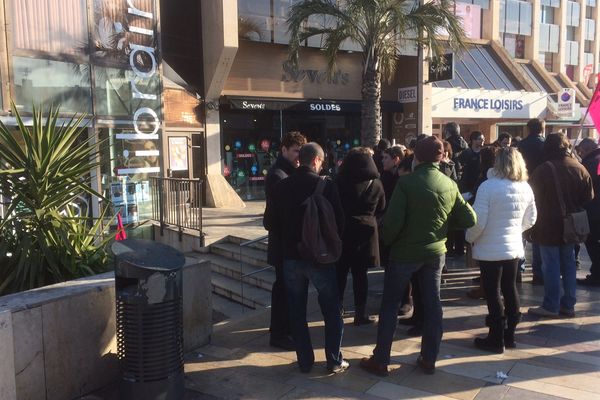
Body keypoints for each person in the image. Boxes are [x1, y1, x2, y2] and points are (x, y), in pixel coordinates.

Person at [360, 136, 476, 376]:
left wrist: (388, 242)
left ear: (418, 158)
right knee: (433, 305)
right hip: (435, 253)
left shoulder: (406, 183)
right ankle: (428, 358)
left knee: (391, 304)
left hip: (404, 253)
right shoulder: (449, 184)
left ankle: (381, 359)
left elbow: (392, 223)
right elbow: (469, 219)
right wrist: (443, 227)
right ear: (441, 157)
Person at [264, 142, 348, 373]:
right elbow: (339, 222)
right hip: (321, 258)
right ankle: (334, 359)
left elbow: (269, 223)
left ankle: (305, 361)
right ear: (317, 161)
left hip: (291, 257)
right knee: (332, 309)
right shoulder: (326, 186)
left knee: (296, 310)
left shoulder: (281, 186)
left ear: (300, 160)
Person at [466, 148, 537, 353]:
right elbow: (531, 219)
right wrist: (515, 231)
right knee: (510, 288)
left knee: (492, 291)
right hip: (513, 247)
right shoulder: (525, 187)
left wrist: (470, 238)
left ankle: (496, 337)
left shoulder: (488, 187)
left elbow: (478, 222)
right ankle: (510, 334)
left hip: (490, 248)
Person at [528, 133, 594, 318]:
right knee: (569, 264)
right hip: (571, 225)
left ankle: (551, 304)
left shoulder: (543, 170)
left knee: (551, 266)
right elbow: (588, 197)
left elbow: (531, 196)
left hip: (547, 224)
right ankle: (569, 304)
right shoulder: (580, 167)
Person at [263, 131, 307, 350]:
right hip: (283, 243)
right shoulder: (279, 175)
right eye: (295, 151)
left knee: (286, 288)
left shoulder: (289, 172)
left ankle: (282, 329)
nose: (299, 156)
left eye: (301, 151)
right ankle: (279, 333)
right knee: (283, 289)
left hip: (285, 242)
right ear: (284, 150)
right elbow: (277, 215)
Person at [336, 147, 386, 325]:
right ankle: (360, 313)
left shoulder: (338, 181)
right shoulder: (376, 183)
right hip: (366, 234)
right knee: (360, 275)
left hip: (342, 233)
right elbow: (381, 208)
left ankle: (337, 310)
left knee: (340, 274)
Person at [380, 146, 413, 316]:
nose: (383, 160)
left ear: (396, 160)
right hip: (388, 223)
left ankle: (406, 299)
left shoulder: (402, 179)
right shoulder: (384, 176)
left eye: (386, 157)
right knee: (390, 264)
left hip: (400, 226)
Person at [518, 119, 545, 284]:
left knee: (521, 230)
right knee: (538, 232)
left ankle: (518, 270)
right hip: (541, 191)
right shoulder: (546, 145)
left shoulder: (523, 145)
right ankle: (538, 272)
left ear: (528, 129)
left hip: (523, 186)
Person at [575, 138, 600, 286]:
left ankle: (597, 275)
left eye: (581, 152)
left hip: (594, 211)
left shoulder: (590, 163)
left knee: (593, 243)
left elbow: (583, 187)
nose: (580, 154)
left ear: (586, 150)